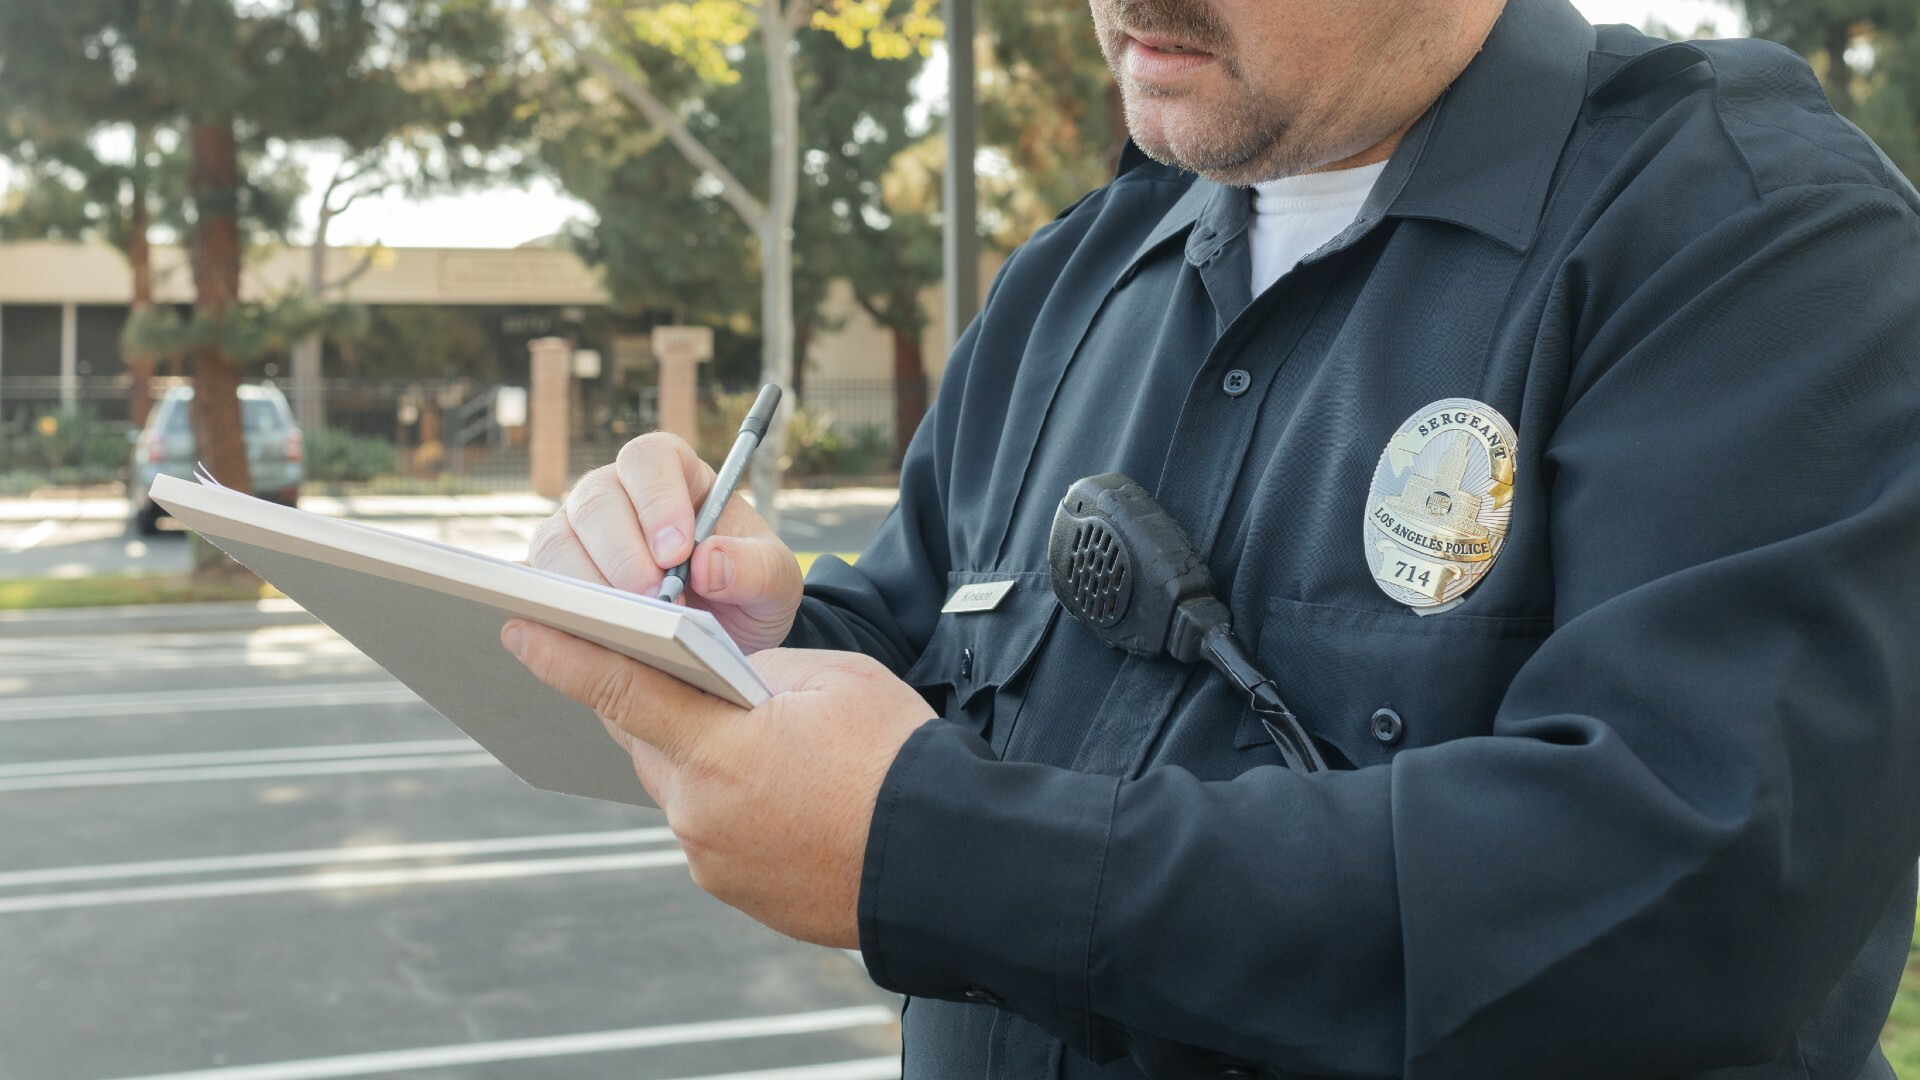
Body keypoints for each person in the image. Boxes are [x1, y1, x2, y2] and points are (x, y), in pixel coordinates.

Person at [503, 0, 1920, 1074]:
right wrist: (739, 629)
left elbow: (1688, 886)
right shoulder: (1076, 275)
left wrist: (942, 852)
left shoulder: (1749, 234)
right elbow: (923, 646)